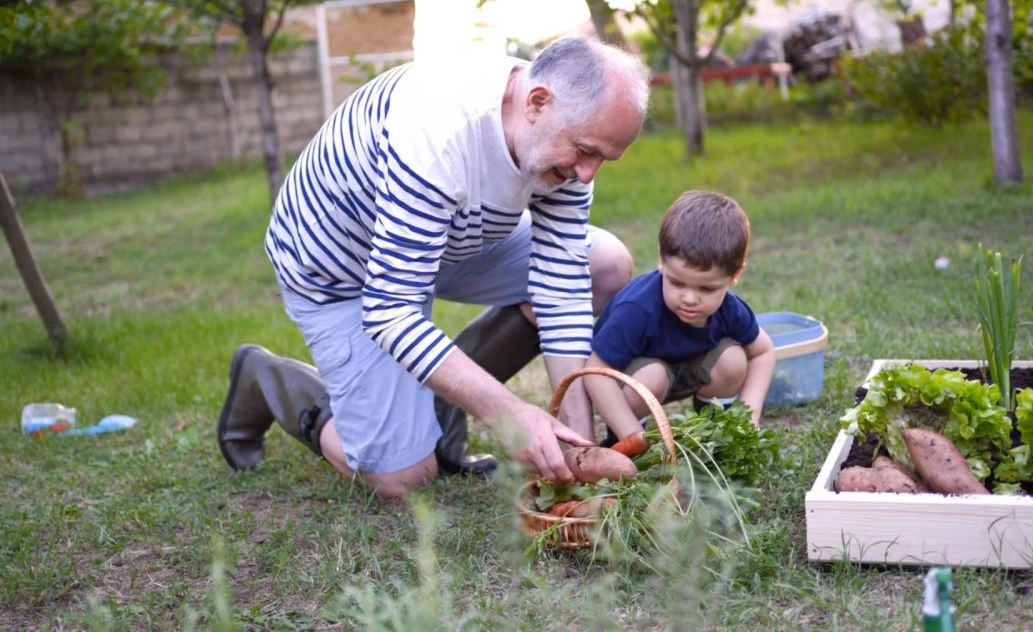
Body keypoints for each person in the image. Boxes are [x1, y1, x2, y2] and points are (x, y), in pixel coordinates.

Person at [217, 37, 650, 499]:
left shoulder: (562, 127)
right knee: (404, 478)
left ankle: (442, 401)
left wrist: (576, 436)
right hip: (344, 270)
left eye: (604, 157)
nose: (588, 174)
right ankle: (267, 379)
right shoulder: (437, 132)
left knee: (601, 265)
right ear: (537, 103)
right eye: (586, 152)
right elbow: (391, 311)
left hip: (445, 241)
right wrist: (510, 414)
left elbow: (562, 284)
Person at [583, 191, 776, 444]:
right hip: (638, 381)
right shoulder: (637, 309)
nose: (689, 298)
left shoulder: (730, 308)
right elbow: (595, 371)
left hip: (688, 371)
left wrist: (749, 417)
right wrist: (632, 436)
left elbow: (763, 351)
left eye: (707, 289)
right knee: (652, 376)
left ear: (734, 276)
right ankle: (624, 440)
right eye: (676, 282)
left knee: (733, 358)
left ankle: (717, 436)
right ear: (662, 261)